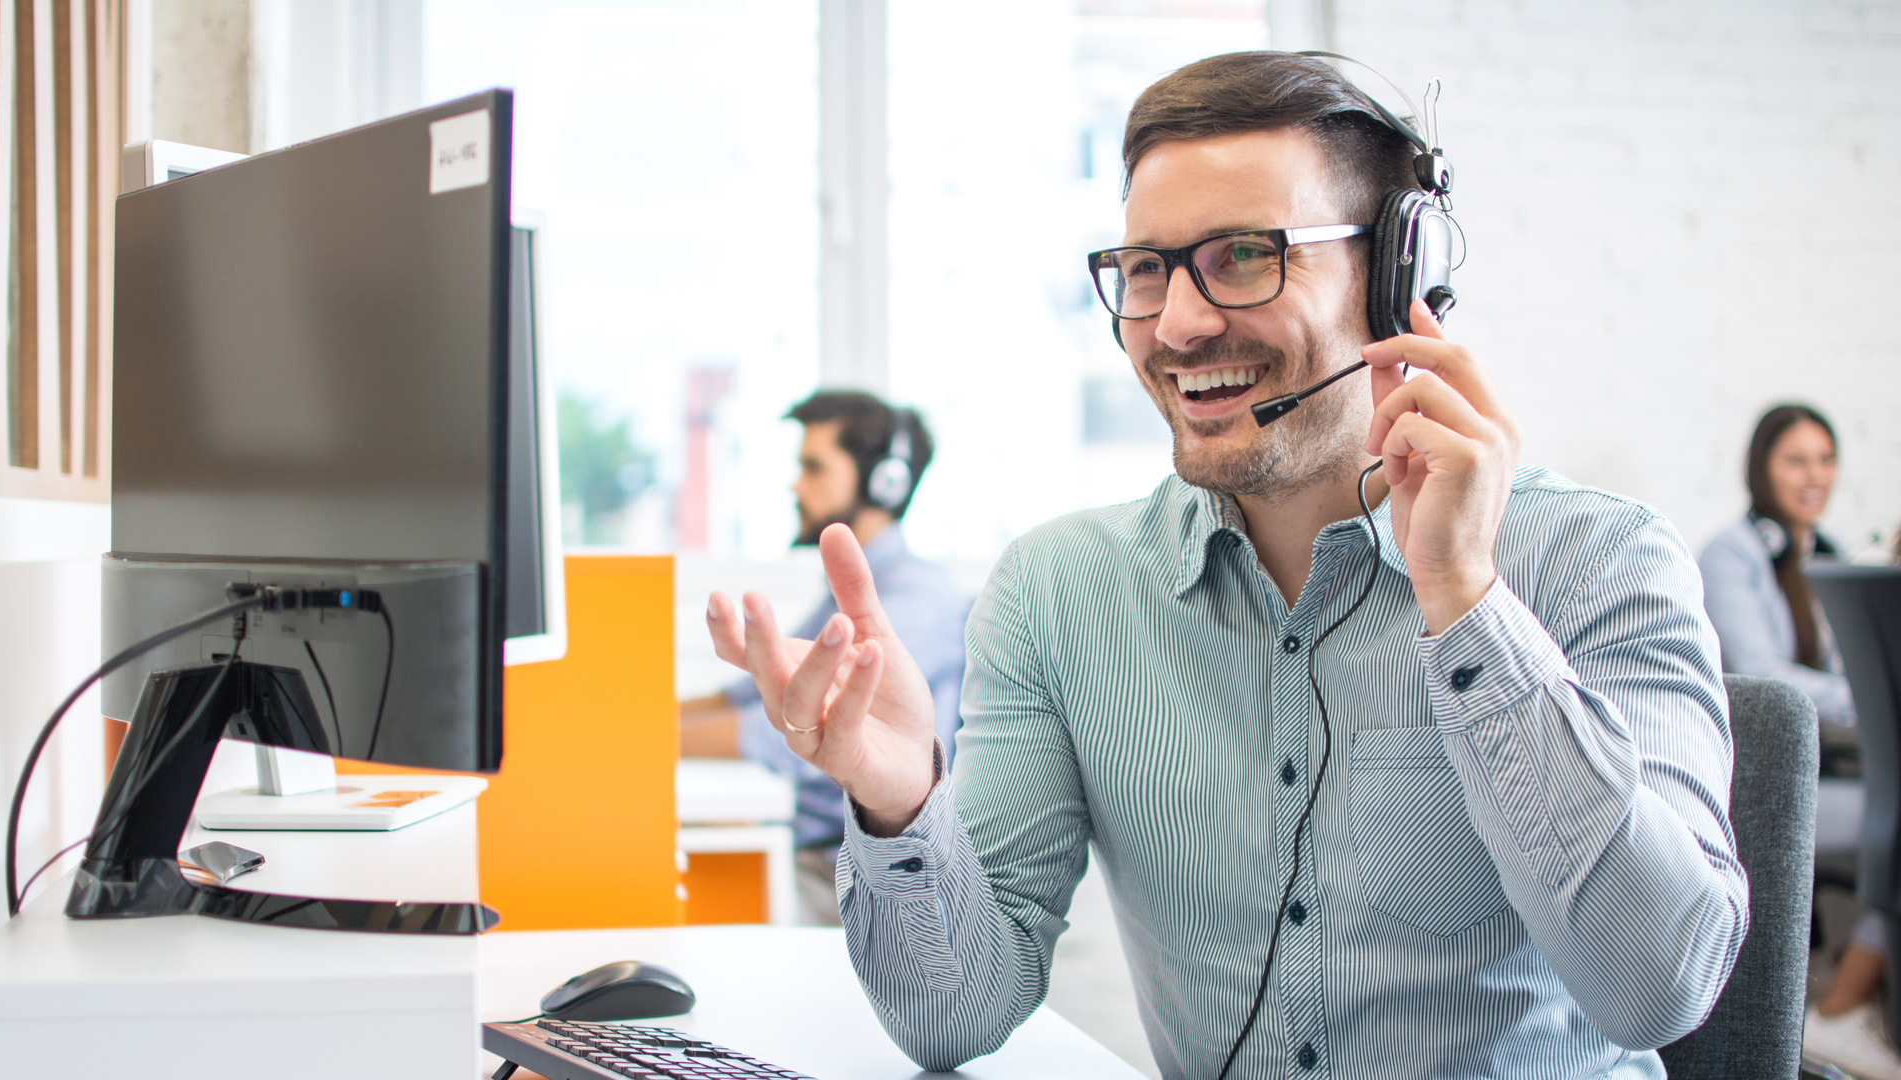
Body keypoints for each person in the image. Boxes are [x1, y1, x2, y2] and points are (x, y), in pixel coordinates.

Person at [706, 53, 1744, 1078]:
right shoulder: (1059, 596)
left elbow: (1658, 989)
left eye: (1245, 255)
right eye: (1147, 270)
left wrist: (1468, 607)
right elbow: (950, 1020)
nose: (1183, 324)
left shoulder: (1597, 560)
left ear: (1398, 280)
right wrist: (898, 805)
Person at [680, 391, 970, 926]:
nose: (796, 486)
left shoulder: (912, 602)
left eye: (814, 468)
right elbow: (750, 692)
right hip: (810, 850)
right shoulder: (847, 592)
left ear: (885, 482)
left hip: (856, 875)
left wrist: (637, 742)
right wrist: (640, 720)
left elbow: (788, 734)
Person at [1699, 406, 1893, 1078]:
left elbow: (1840, 677)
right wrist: (1876, 687)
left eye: (1825, 459)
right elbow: (1769, 684)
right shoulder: (1733, 554)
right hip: (1765, 787)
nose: (1815, 476)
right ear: (1762, 469)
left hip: (1835, 765)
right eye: (1796, 460)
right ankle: (1842, 1010)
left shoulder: (1830, 555)